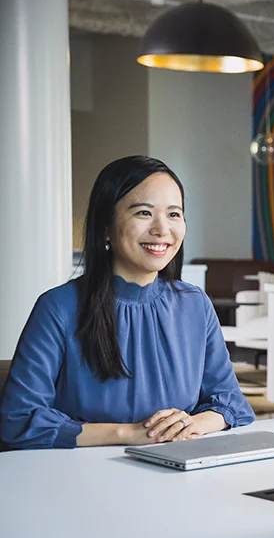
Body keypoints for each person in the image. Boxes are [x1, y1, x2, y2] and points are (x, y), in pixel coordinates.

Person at [0, 156, 254, 450]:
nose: (162, 229)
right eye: (144, 212)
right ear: (106, 226)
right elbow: (19, 420)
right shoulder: (58, 307)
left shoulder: (195, 305)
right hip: (81, 477)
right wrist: (129, 434)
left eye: (174, 214)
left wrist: (193, 423)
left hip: (179, 471)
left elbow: (232, 404)